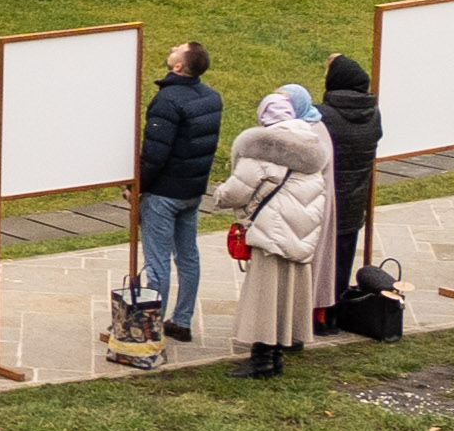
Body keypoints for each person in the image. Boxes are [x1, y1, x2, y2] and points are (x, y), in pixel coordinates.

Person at [207, 85, 336, 379]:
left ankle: (262, 359)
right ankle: (277, 354)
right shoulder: (311, 148)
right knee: (286, 297)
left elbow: (235, 192)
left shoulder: (262, 151)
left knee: (264, 297)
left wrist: (219, 193)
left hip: (271, 234)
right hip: (299, 237)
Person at [134, 42, 221, 342]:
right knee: (188, 257)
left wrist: (138, 187)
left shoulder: (167, 100)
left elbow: (155, 154)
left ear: (179, 66)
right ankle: (182, 320)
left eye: (178, 50)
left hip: (163, 194)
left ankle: (150, 329)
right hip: (192, 191)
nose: (172, 48)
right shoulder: (211, 97)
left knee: (158, 263)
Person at [315, 49, 384, 325]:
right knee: (343, 258)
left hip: (326, 200)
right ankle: (335, 315)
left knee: (321, 262)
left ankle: (318, 316)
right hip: (355, 198)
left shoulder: (323, 115)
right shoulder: (373, 114)